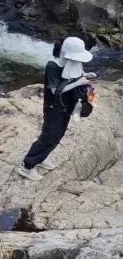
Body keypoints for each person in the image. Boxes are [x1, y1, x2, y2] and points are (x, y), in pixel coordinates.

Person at [19, 35, 96, 178]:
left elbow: (75, 74)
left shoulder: (72, 61)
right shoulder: (52, 65)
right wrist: (79, 83)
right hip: (53, 107)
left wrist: (85, 75)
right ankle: (27, 165)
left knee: (59, 134)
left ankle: (41, 158)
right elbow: (55, 91)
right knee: (49, 135)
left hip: (66, 104)